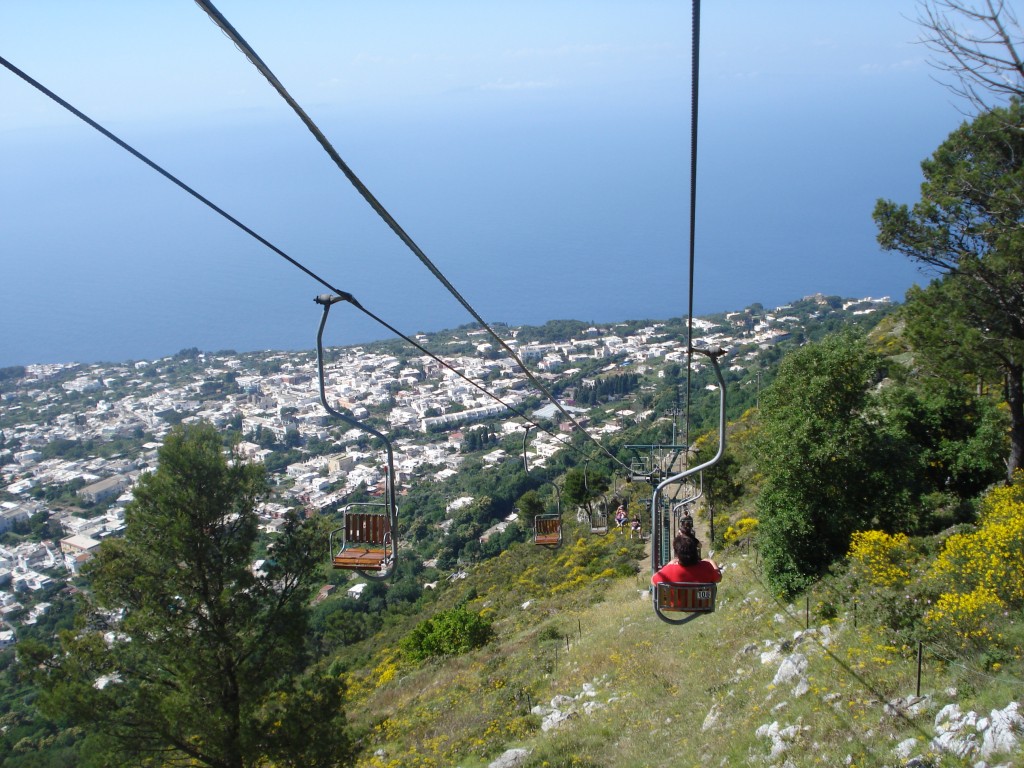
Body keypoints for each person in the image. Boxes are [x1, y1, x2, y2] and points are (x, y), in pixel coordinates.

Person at [651, 533, 722, 585]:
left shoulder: (669, 570)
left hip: (676, 602)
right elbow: (718, 578)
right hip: (700, 602)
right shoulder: (706, 567)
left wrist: (669, 564)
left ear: (677, 554)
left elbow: (653, 581)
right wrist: (711, 562)